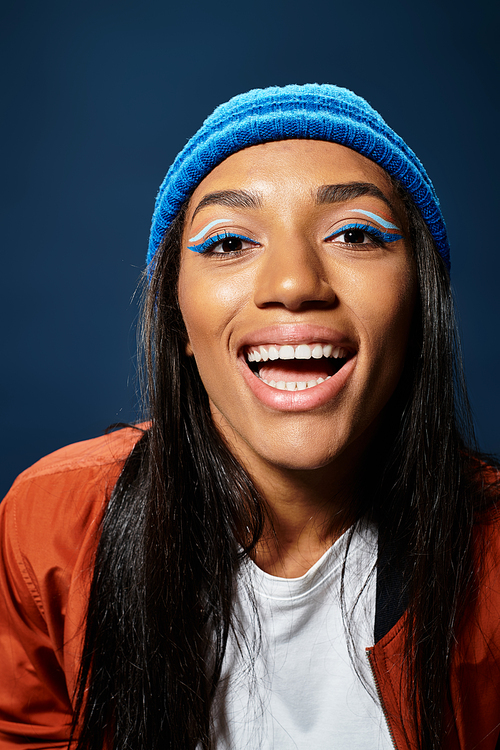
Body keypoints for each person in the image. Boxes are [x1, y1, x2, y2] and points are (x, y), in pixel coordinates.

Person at [1, 83, 499, 750]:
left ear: (420, 304)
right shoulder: (47, 530)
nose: (294, 284)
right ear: (178, 316)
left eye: (355, 233)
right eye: (230, 243)